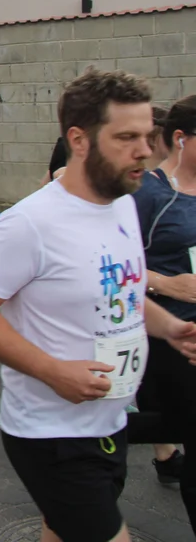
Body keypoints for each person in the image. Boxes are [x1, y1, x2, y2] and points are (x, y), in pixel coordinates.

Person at [0, 69, 196, 542]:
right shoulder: (30, 223)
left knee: (59, 532)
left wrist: (169, 328)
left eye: (148, 135)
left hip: (108, 420)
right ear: (79, 139)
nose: (145, 149)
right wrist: (51, 371)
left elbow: (123, 289)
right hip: (52, 433)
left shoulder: (124, 202)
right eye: (126, 137)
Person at [131, 96, 196, 520]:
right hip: (173, 334)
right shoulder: (149, 193)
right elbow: (112, 265)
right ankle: (89, 436)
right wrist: (164, 281)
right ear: (181, 139)